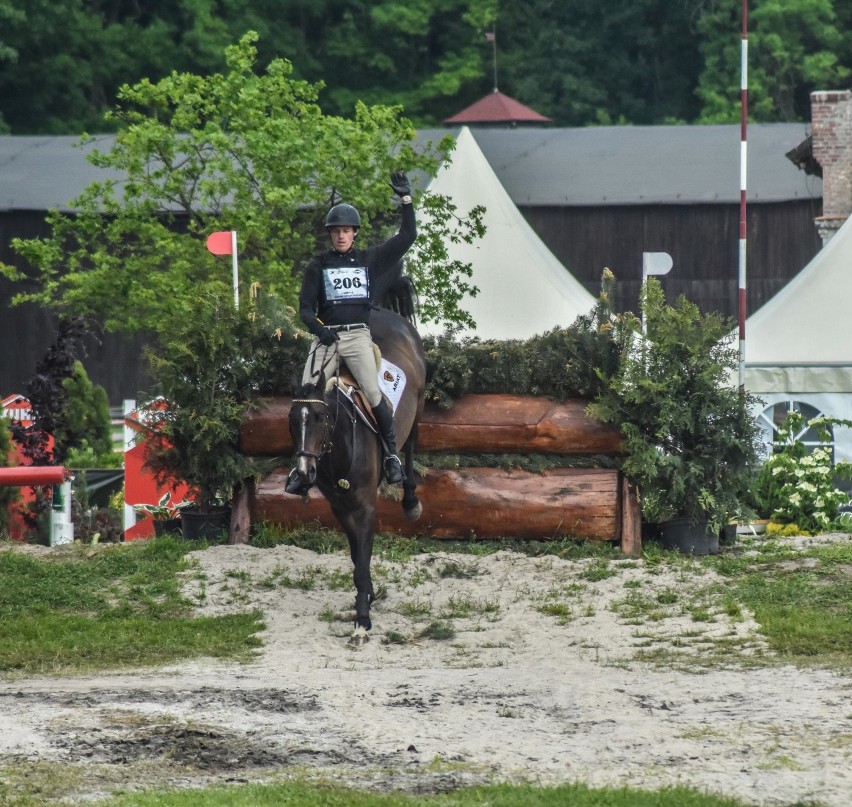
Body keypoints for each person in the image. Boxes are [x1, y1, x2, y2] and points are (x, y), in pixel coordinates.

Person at [286, 171, 415, 495]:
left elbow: (407, 237)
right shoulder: (318, 266)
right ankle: (300, 468)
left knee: (373, 393)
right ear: (330, 235)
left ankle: (391, 458)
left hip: (357, 337)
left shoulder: (368, 259)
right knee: (306, 397)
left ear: (354, 233)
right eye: (336, 231)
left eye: (346, 231)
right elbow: (304, 310)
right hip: (326, 337)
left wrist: (406, 201)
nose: (341, 236)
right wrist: (319, 330)